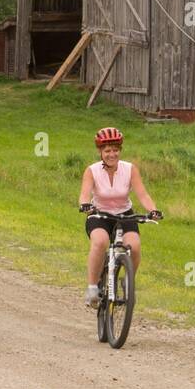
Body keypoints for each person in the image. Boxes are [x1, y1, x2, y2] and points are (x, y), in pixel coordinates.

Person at [78, 126, 160, 308]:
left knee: (135, 247)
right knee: (100, 242)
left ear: (120, 150)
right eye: (107, 151)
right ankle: (92, 288)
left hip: (124, 214)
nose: (112, 154)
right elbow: (84, 194)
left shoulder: (130, 169)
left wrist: (153, 210)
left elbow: (143, 195)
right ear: (100, 151)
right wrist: (85, 205)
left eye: (115, 150)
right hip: (99, 214)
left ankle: (127, 280)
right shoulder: (92, 171)